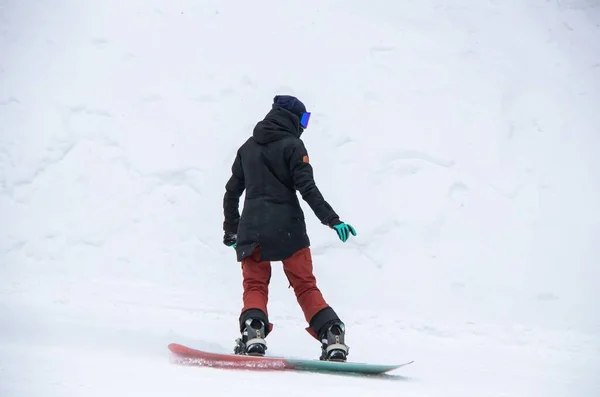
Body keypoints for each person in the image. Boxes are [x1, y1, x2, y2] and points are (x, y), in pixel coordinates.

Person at [222, 95, 357, 361]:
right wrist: (333, 220)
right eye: (304, 118)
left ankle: (254, 331)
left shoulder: (247, 148)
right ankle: (332, 335)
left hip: (253, 232)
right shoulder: (294, 146)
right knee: (305, 285)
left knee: (255, 285)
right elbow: (308, 189)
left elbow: (230, 193)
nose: (305, 125)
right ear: (292, 118)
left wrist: (232, 230)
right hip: (288, 229)